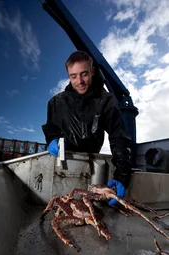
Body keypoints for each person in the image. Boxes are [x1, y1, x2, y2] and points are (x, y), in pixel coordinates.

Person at [42, 51, 132, 205]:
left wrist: (122, 176)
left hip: (93, 165)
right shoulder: (57, 102)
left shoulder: (106, 100)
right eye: (73, 76)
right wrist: (51, 139)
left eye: (84, 74)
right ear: (69, 76)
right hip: (64, 165)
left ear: (92, 71)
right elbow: (51, 127)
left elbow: (119, 137)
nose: (79, 81)